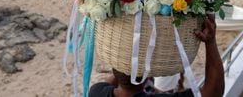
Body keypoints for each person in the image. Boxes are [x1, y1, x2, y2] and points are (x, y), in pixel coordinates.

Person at [89, 14, 224, 97]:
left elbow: (118, 76)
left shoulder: (97, 92)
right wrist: (210, 42)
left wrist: (123, 59)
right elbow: (214, 92)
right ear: (147, 75)